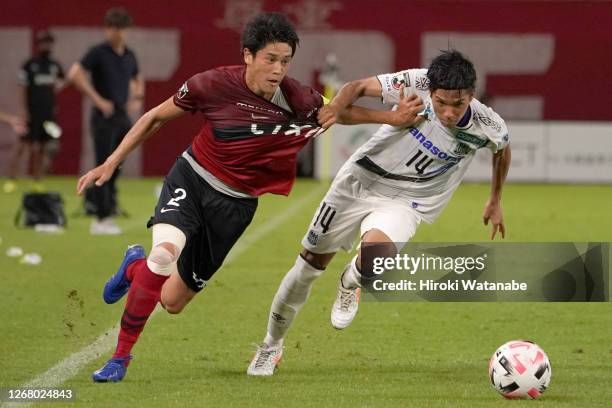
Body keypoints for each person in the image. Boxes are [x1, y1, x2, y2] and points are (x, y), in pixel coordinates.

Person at [76, 12, 419, 383]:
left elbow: (336, 112)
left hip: (235, 207)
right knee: (163, 256)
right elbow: (155, 117)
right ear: (248, 55)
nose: (277, 69)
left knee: (172, 302)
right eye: (270, 59)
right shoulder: (211, 84)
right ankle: (120, 359)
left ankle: (132, 268)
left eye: (285, 61)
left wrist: (392, 118)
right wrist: (110, 163)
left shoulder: (298, 99)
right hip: (192, 180)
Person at [247, 50, 512, 376]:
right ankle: (271, 345)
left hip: (408, 200)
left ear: (472, 95)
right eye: (441, 102)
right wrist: (333, 111)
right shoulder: (414, 82)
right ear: (431, 90)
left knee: (375, 259)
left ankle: (352, 280)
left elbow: (502, 150)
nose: (447, 112)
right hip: (358, 182)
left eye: (457, 105)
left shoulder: (488, 125)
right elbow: (355, 87)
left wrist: (495, 199)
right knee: (307, 270)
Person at [68, 7, 143, 235]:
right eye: (113, 28)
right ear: (107, 29)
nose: (117, 33)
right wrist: (98, 100)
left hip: (122, 116)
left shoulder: (129, 54)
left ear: (127, 30)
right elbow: (74, 73)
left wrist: (137, 97)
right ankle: (100, 219)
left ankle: (108, 207)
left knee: (118, 163)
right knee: (104, 163)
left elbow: (137, 77)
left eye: (121, 28)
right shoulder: (98, 52)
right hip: (103, 117)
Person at [3, 31, 64, 194]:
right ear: (38, 44)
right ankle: (11, 179)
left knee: (42, 148)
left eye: (49, 42)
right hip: (31, 113)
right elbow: (23, 88)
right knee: (22, 146)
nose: (46, 46)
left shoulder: (54, 65)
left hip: (47, 114)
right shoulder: (30, 64)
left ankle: (37, 180)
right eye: (44, 42)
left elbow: (61, 82)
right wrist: (23, 109)